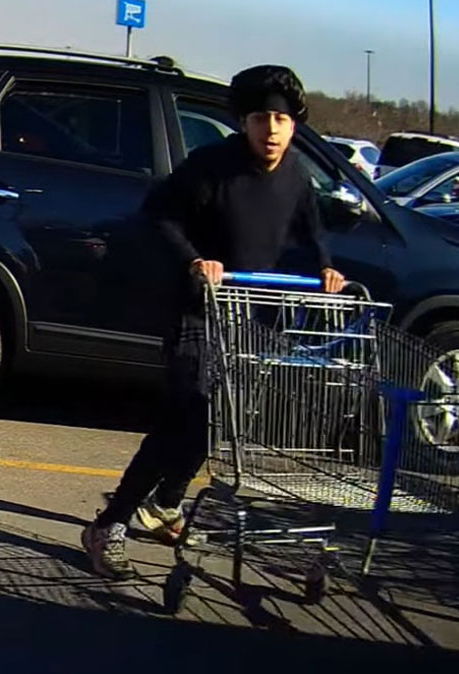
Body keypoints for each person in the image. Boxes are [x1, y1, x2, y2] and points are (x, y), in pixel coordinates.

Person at [82, 64, 345, 579]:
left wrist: (326, 268)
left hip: (251, 316)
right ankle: (109, 524)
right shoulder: (211, 166)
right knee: (184, 416)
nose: (272, 130)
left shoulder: (296, 176)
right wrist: (195, 261)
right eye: (261, 118)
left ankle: (164, 503)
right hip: (195, 308)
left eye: (282, 120)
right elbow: (159, 215)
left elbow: (314, 232)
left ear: (295, 126)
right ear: (243, 122)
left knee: (219, 422)